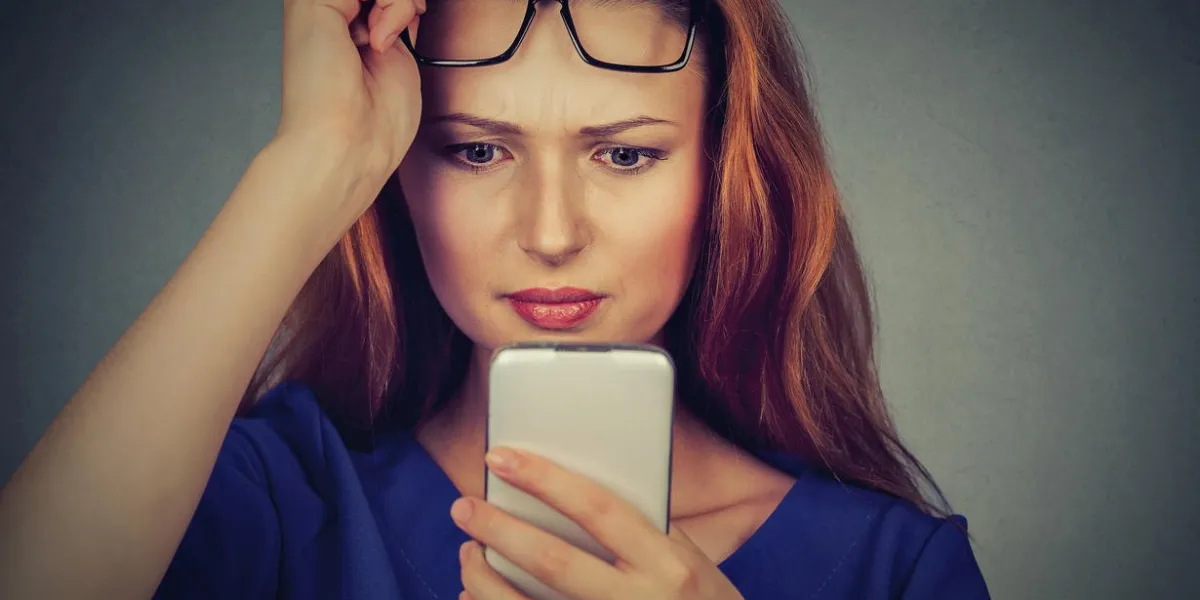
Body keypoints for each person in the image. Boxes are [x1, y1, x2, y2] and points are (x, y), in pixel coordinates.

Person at [0, 0, 991, 598]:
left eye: (625, 153)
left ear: (724, 175)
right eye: (477, 150)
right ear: (406, 171)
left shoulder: (891, 572)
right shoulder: (285, 500)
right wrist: (309, 165)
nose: (550, 232)